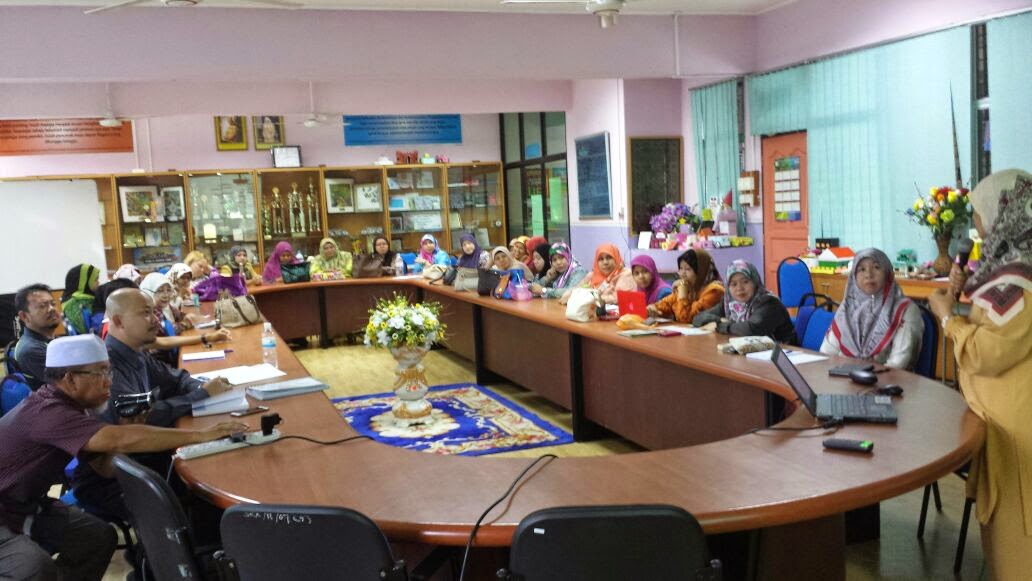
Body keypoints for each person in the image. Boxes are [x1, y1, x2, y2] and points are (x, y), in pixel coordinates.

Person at [0, 334, 247, 581]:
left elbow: (105, 468)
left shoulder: (75, 409)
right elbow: (119, 438)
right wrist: (200, 435)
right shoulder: (49, 412)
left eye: (109, 371)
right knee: (32, 567)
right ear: (70, 379)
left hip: (25, 505)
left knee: (96, 539)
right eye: (100, 373)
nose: (109, 381)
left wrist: (128, 427)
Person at [926, 169, 1032, 579]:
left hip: (1017, 431)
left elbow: (989, 352)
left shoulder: (1018, 281)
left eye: (980, 213)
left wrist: (947, 317)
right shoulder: (1011, 269)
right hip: (1006, 421)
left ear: (1005, 214)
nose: (975, 223)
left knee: (1016, 541)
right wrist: (968, 287)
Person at [70, 288, 235, 520]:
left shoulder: (135, 352)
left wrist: (201, 387)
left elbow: (176, 379)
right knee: (204, 486)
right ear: (118, 321)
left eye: (154, 312)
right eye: (146, 313)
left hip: (141, 455)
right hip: (111, 476)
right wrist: (202, 395)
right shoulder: (108, 365)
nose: (156, 320)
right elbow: (144, 418)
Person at [820, 248, 923, 369]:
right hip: (843, 375)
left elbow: (898, 364)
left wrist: (862, 374)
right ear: (854, 276)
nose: (869, 275)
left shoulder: (906, 310)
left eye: (876, 267)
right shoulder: (847, 308)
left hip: (886, 378)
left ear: (887, 273)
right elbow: (826, 353)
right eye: (862, 269)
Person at [693, 260, 796, 343]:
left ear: (755, 282)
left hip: (784, 354)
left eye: (745, 282)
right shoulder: (729, 303)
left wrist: (721, 326)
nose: (739, 288)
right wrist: (719, 320)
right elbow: (698, 319)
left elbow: (751, 329)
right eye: (734, 284)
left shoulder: (769, 303)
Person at [139, 273, 230, 365]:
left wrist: (189, 317)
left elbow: (181, 316)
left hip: (171, 354)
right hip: (160, 361)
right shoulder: (152, 312)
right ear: (147, 292)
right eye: (159, 291)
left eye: (168, 290)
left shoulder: (167, 307)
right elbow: (166, 334)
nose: (166, 295)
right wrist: (185, 324)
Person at [646, 249, 724, 322]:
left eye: (687, 269)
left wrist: (682, 293)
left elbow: (686, 318)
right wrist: (653, 308)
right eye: (681, 268)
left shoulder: (715, 291)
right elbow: (666, 304)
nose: (682, 274)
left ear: (701, 270)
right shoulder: (688, 286)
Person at [12, 284, 60, 390]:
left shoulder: (47, 341)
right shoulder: (30, 350)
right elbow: (71, 384)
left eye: (53, 303)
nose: (52, 309)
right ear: (24, 316)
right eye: (42, 306)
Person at [560, 243, 636, 306]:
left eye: (609, 257)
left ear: (616, 258)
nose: (605, 262)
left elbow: (617, 298)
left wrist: (588, 299)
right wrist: (570, 293)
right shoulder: (592, 275)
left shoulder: (625, 274)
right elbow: (577, 289)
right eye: (601, 259)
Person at [61, 263, 100, 335]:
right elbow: (84, 329)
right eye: (95, 280)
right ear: (84, 282)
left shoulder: (91, 298)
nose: (98, 282)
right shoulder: (74, 302)